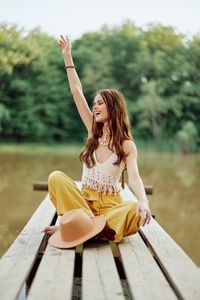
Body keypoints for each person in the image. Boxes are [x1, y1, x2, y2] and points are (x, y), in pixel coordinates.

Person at [43, 35, 151, 243]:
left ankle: (82, 228)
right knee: (56, 177)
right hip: (84, 203)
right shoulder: (94, 131)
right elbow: (76, 92)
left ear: (113, 107)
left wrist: (143, 201)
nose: (95, 106)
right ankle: (91, 227)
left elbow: (134, 178)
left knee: (132, 209)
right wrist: (68, 57)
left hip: (111, 208)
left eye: (100, 103)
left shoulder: (127, 145)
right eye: (94, 103)